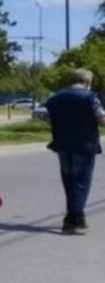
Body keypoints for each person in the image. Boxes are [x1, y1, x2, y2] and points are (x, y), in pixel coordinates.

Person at [45, 68, 105, 235]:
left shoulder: (55, 98)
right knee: (81, 183)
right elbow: (101, 120)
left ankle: (79, 217)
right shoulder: (90, 97)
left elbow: (49, 121)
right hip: (84, 145)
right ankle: (72, 222)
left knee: (69, 181)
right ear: (87, 82)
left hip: (62, 145)